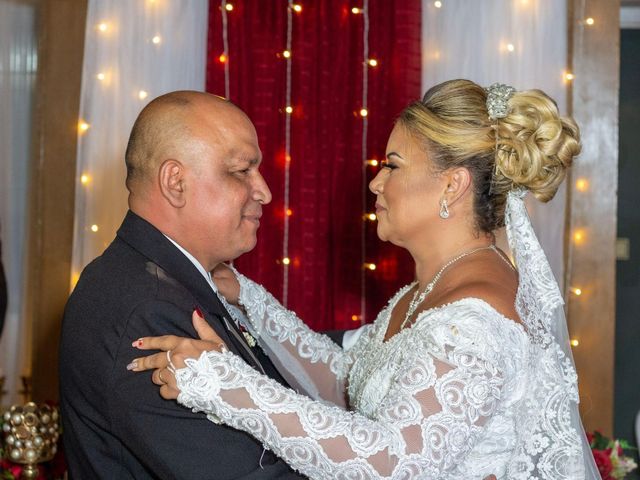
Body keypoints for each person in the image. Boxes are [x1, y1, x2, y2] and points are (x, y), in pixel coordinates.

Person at [131, 80, 601, 479]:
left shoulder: (473, 319)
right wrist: (254, 303)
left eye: (394, 164)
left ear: (452, 185)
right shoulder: (425, 292)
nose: (377, 182)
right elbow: (353, 386)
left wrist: (228, 387)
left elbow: (391, 462)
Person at [59, 92, 304, 479]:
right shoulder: (148, 308)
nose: (264, 191)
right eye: (242, 170)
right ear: (176, 182)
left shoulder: (168, 279)